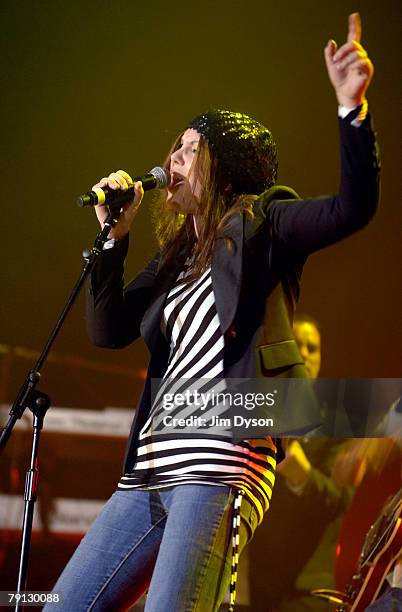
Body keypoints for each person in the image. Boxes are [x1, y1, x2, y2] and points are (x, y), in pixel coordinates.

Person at [46, 13, 379, 612]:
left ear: (220, 166)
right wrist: (114, 238)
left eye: (188, 150)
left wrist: (350, 109)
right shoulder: (176, 259)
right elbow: (108, 330)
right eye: (172, 147)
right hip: (148, 475)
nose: (170, 160)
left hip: (218, 467)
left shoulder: (264, 223)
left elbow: (352, 209)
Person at [247, 315, 358, 612]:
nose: (305, 355)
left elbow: (339, 499)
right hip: (256, 584)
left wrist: (303, 476)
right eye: (297, 345)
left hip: (308, 590)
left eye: (313, 348)